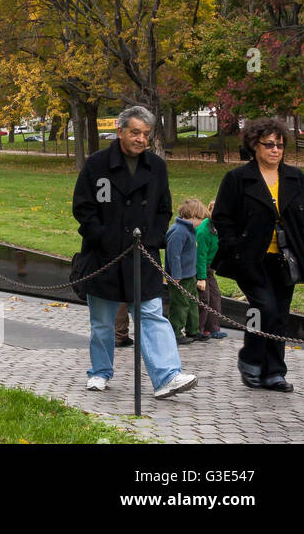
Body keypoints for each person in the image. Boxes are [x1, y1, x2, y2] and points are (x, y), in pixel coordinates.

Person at [72, 106, 196, 399]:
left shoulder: (156, 166)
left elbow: (164, 207)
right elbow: (83, 208)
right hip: (104, 256)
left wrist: (151, 239)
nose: (141, 139)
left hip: (143, 255)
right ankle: (100, 372)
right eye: (135, 132)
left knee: (152, 315)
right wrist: (102, 237)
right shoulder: (97, 164)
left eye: (146, 134)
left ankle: (167, 375)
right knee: (102, 321)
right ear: (120, 131)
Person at [212, 117, 304, 392]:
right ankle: (250, 361)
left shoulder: (295, 177)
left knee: (280, 314)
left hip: (286, 259)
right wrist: (235, 246)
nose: (275, 150)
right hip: (251, 259)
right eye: (269, 144)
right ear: (255, 146)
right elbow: (222, 217)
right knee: (264, 307)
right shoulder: (238, 179)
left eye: (279, 145)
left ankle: (274, 371)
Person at [166, 199, 210, 343]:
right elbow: (174, 254)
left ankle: (193, 330)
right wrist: (176, 274)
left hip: (190, 274)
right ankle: (176, 332)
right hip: (180, 276)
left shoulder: (190, 230)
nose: (201, 222)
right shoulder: (178, 231)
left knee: (192, 303)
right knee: (180, 305)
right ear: (192, 217)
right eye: (200, 219)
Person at [195, 199, 227, 339]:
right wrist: (201, 278)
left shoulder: (221, 228)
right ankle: (198, 329)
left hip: (210, 268)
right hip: (200, 267)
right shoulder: (204, 231)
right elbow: (200, 256)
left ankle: (213, 328)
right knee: (204, 299)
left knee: (215, 296)